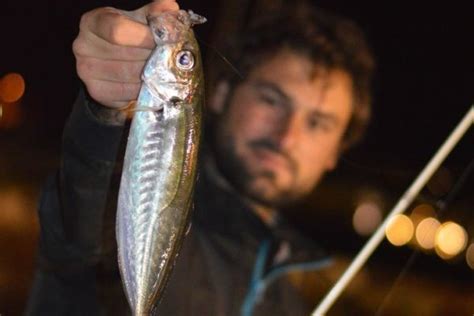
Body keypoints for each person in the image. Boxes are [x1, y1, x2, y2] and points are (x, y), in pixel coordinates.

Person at [25, 0, 374, 315]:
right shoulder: (113, 196)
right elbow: (81, 223)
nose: (287, 136)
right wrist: (105, 112)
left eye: (318, 123)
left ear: (336, 152)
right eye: (272, 100)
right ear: (221, 94)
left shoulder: (290, 306)